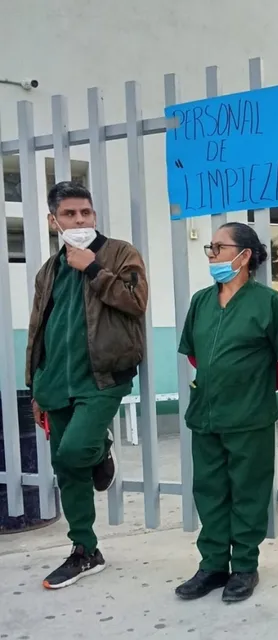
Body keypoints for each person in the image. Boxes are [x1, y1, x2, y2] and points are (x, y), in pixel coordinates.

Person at [26, 181, 148, 590]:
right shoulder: (49, 270)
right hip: (55, 380)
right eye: (69, 215)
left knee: (77, 449)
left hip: (102, 377)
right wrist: (36, 385)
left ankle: (101, 446)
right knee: (66, 465)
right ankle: (85, 550)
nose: (79, 221)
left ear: (94, 215)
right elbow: (37, 329)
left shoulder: (120, 252)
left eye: (86, 213)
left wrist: (93, 268)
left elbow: (136, 301)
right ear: (53, 220)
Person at [174, 222, 278, 603]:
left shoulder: (268, 302)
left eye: (218, 247)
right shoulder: (201, 301)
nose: (211, 255)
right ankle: (212, 565)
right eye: (209, 248)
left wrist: (253, 389)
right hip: (206, 414)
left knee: (248, 491)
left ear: (244, 255)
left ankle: (244, 565)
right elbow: (195, 353)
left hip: (250, 416)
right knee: (209, 490)